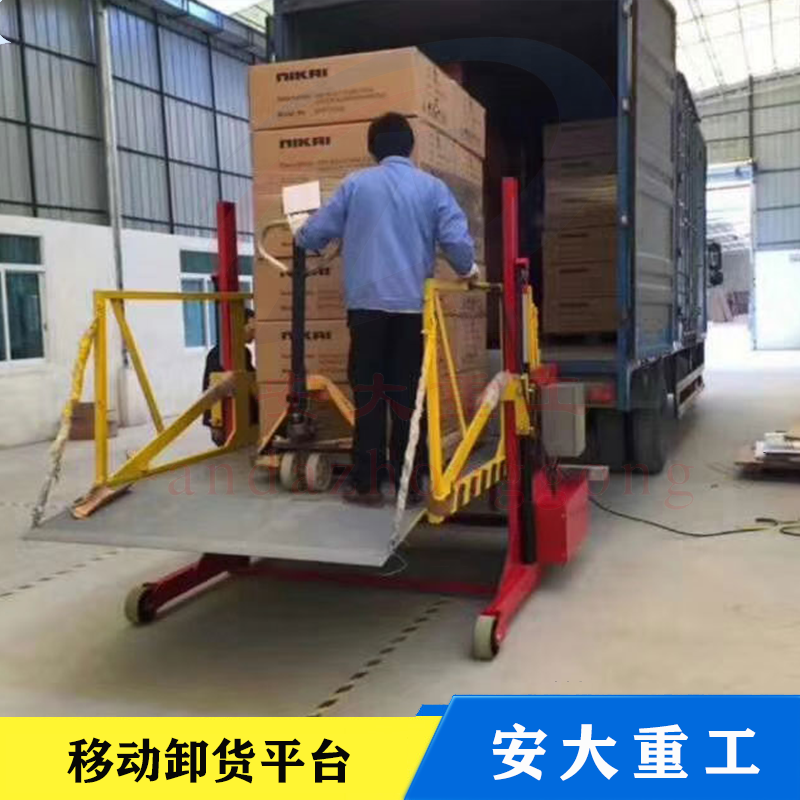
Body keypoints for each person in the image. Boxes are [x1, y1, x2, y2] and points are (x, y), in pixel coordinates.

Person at [294, 112, 478, 507]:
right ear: (410, 147)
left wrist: (301, 234)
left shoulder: (355, 185)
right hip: (413, 314)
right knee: (410, 399)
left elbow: (316, 233)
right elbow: (457, 244)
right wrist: (469, 269)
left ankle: (367, 485)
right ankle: (411, 483)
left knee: (370, 398)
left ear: (372, 149)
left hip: (367, 312)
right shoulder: (432, 188)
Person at [202, 307, 257, 446]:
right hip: (227, 418)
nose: (254, 334)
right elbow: (211, 389)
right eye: (252, 329)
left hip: (244, 417)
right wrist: (214, 424)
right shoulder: (218, 354)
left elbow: (252, 381)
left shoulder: (245, 353)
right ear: (239, 328)